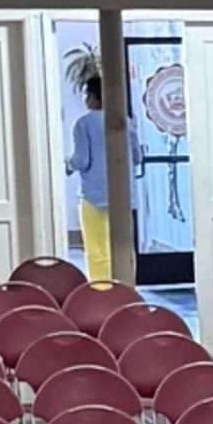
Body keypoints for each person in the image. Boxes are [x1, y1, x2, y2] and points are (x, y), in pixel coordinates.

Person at [66, 51, 114, 281]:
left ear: (93, 98)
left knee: (97, 248)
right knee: (120, 245)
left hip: (93, 195)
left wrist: (68, 164)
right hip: (122, 197)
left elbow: (82, 160)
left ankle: (101, 289)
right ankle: (125, 287)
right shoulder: (125, 121)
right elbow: (136, 156)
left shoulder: (83, 124)